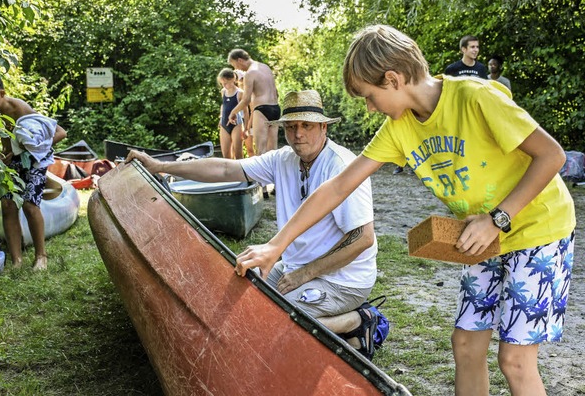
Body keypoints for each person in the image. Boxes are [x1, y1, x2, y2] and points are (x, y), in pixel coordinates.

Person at [235, 25, 575, 395]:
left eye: (369, 96)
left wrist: (498, 219)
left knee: (514, 360)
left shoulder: (476, 97)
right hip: (485, 236)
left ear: (393, 79)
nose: (369, 107)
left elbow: (552, 155)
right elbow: (336, 187)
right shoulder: (398, 128)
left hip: (539, 229)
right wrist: (276, 246)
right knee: (465, 346)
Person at [127, 90, 380, 359]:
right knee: (241, 302)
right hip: (295, 267)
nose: (298, 134)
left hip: (344, 279)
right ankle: (327, 317)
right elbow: (225, 170)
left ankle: (356, 321)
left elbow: (363, 238)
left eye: (306, 125)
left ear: (323, 126)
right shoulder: (283, 159)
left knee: (270, 324)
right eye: (291, 126)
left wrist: (304, 274)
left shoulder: (342, 166)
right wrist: (159, 166)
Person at [0, 72, 67, 270]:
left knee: (30, 205)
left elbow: (60, 133)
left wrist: (30, 148)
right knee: (7, 205)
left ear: (2, 93)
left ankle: (41, 257)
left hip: (34, 162)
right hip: (8, 163)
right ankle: (17, 260)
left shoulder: (21, 109)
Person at [226, 49, 280, 156]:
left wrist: (233, 112)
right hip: (275, 108)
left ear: (240, 60)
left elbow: (246, 100)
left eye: (235, 65)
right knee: (273, 151)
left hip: (262, 110)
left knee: (261, 151)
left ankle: (261, 173)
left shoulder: (250, 73)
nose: (236, 69)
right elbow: (276, 93)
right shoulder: (265, 67)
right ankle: (274, 172)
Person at [217, 68, 247, 159]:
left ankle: (240, 173)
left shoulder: (240, 93)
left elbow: (246, 112)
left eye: (225, 83)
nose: (224, 85)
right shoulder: (223, 92)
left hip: (236, 124)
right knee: (226, 156)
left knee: (238, 155)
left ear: (232, 80)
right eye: (222, 83)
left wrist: (246, 129)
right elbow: (223, 105)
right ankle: (229, 173)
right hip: (224, 123)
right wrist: (221, 117)